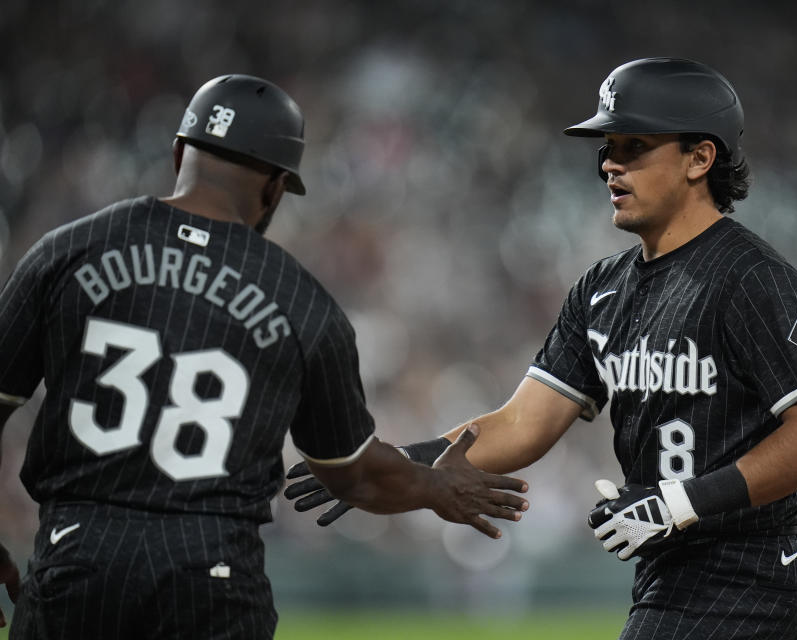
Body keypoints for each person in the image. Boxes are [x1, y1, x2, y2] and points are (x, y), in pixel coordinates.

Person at [285, 58, 797, 639]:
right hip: (666, 571)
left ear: (700, 158)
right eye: (608, 146)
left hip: (747, 571)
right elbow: (523, 424)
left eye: (635, 145)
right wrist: (404, 461)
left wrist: (682, 503)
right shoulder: (602, 288)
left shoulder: (752, 279)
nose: (610, 162)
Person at [0, 73, 528, 639]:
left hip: (78, 557)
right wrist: (435, 486)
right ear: (276, 187)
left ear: (179, 152)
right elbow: (355, 476)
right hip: (213, 575)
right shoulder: (302, 301)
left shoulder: (66, 251)